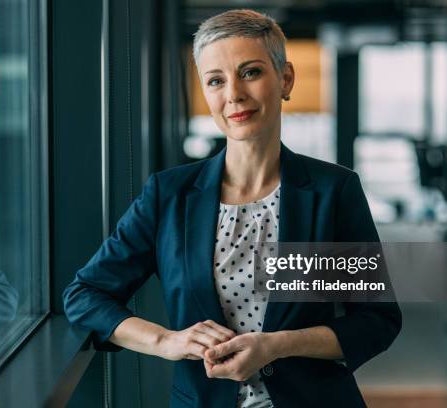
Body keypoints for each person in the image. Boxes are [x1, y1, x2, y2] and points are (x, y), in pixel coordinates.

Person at [63, 9, 402, 408]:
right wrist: (166, 341)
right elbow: (85, 295)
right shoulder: (168, 195)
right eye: (215, 81)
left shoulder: (333, 192)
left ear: (286, 78)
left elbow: (376, 322)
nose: (234, 95)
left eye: (251, 72)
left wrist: (277, 345)